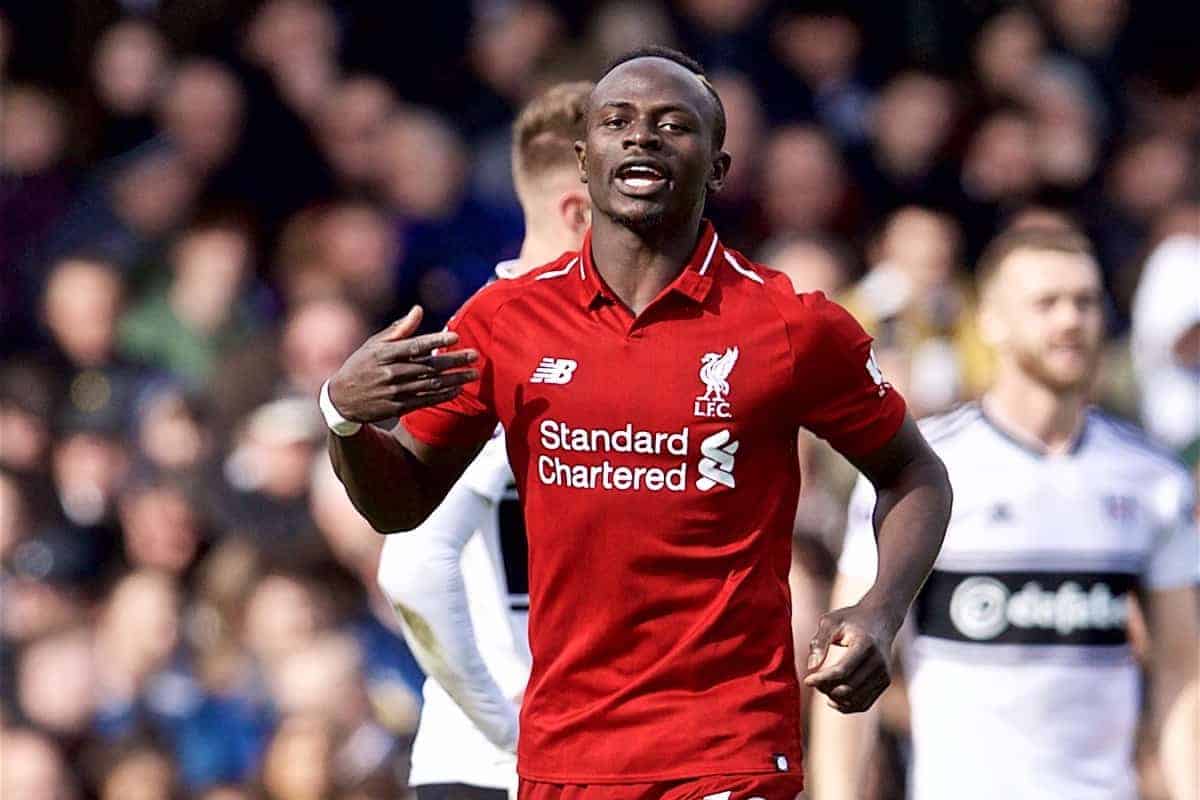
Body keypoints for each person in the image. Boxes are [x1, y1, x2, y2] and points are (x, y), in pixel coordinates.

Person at [323, 47, 952, 799]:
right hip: (564, 757)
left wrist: (882, 611)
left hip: (727, 750)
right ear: (586, 161)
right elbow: (402, 505)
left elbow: (917, 471)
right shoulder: (504, 323)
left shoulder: (789, 324)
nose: (642, 137)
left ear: (718, 169)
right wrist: (345, 420)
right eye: (617, 121)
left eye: (672, 124)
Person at [808, 226, 1200, 800]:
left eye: (1085, 301)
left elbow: (1181, 675)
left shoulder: (1153, 480)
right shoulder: (921, 474)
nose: (1070, 319)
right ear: (990, 319)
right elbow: (849, 659)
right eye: (1046, 303)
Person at [374, 81, 592, 799]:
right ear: (582, 212)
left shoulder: (510, 343)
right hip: (508, 770)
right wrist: (509, 731)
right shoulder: (494, 353)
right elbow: (410, 564)